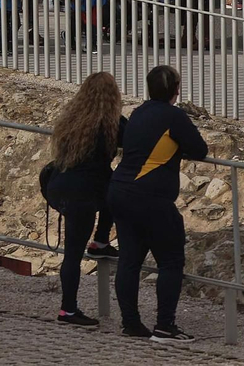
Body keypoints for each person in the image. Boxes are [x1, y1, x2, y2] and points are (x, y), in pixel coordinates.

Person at [108, 64, 206, 344]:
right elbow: (200, 149)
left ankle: (131, 323)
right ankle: (165, 327)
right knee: (171, 260)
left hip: (120, 190)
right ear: (176, 90)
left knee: (129, 260)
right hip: (150, 196)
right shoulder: (174, 116)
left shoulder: (139, 112)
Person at [44, 72, 125, 327]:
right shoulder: (113, 124)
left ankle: (99, 242)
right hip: (85, 193)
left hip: (59, 184)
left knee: (71, 252)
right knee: (73, 254)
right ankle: (68, 309)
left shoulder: (72, 118)